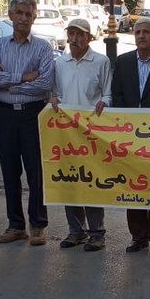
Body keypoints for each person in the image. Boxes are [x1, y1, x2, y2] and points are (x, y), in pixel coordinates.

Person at [0, 0, 55, 246]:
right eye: (20, 13)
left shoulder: (43, 47)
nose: (24, 18)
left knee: (36, 171)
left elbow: (44, 84)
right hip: (5, 116)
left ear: (34, 18)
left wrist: (7, 83)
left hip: (32, 114)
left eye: (29, 14)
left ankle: (38, 225)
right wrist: (22, 78)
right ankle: (15, 225)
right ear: (11, 15)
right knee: (9, 171)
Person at [111, 16, 150, 256]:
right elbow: (117, 94)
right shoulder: (123, 61)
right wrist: (126, 121)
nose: (141, 36)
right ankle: (138, 237)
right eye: (138, 32)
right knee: (133, 184)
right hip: (129, 134)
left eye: (146, 32)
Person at [50, 18, 113, 252]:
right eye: (71, 34)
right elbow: (55, 93)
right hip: (66, 134)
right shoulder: (60, 63)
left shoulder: (101, 61)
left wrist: (104, 103)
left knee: (92, 181)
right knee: (70, 182)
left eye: (80, 34)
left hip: (91, 133)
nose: (74, 39)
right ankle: (75, 231)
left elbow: (108, 94)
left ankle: (96, 233)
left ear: (89, 37)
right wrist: (53, 99)